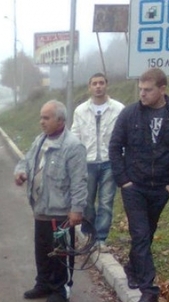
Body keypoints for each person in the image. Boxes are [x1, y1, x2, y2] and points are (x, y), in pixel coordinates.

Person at [109, 68, 169, 302]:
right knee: (141, 234)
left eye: (148, 90)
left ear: (162, 89)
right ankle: (149, 290)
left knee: (147, 232)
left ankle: (133, 268)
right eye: (140, 89)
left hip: (161, 188)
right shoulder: (129, 114)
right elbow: (115, 147)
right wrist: (123, 180)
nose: (142, 94)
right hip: (134, 186)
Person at [14, 100, 88, 302]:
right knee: (43, 250)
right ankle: (44, 283)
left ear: (61, 120)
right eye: (41, 117)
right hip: (41, 209)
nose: (41, 122)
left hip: (61, 213)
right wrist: (21, 173)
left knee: (60, 253)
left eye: (46, 118)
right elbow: (26, 161)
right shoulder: (40, 140)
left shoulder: (73, 146)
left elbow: (79, 181)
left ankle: (60, 290)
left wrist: (76, 209)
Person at [71, 73, 125, 251]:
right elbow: (75, 136)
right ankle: (89, 233)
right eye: (94, 83)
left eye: (101, 83)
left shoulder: (118, 109)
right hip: (88, 162)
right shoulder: (80, 111)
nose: (98, 86)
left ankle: (101, 239)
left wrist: (123, 157)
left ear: (106, 85)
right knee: (86, 201)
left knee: (106, 201)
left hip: (110, 161)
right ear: (89, 87)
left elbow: (124, 135)